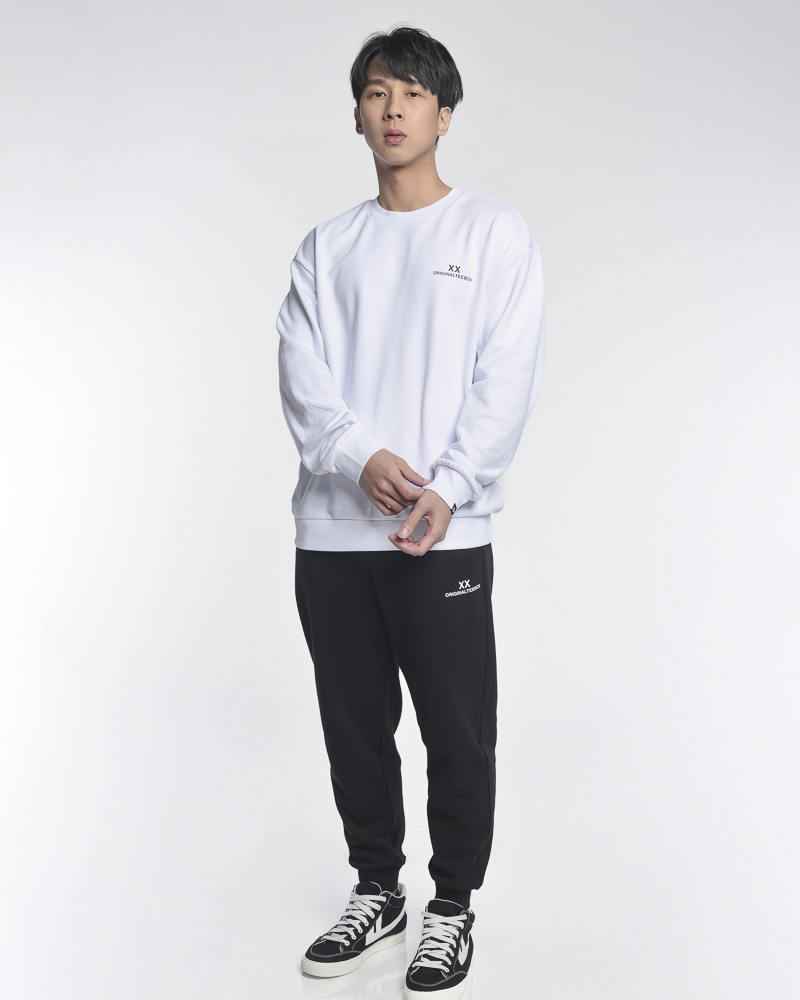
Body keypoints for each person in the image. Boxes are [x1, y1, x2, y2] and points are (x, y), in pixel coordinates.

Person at [276, 25, 546, 998]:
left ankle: (452, 905)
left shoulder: (492, 235)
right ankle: (377, 890)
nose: (393, 110)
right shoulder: (326, 247)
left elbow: (505, 376)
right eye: (376, 93)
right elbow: (301, 375)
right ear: (356, 115)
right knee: (355, 728)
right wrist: (360, 457)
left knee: (456, 732)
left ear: (445, 113)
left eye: (413, 94)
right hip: (332, 535)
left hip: (444, 534)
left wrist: (450, 485)